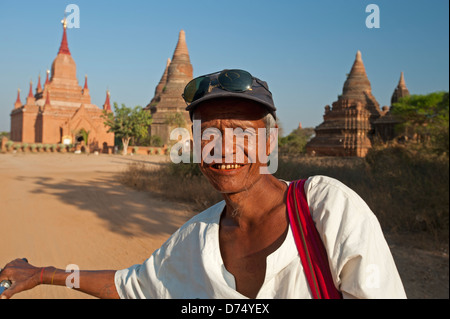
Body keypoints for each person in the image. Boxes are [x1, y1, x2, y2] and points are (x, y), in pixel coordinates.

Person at [0, 69, 406, 299]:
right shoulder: (196, 238)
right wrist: (43, 274)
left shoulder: (327, 209)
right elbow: (130, 286)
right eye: (209, 134)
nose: (223, 148)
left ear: (270, 141)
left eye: (240, 131)